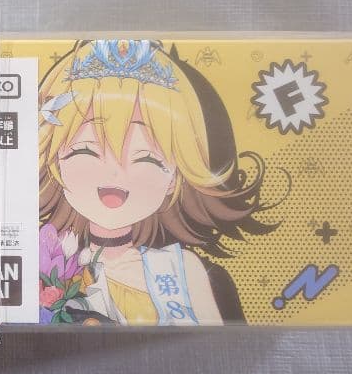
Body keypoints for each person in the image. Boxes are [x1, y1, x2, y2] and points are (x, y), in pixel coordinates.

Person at [37, 39, 280, 325]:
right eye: (85, 150)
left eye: (147, 157)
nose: (115, 172)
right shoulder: (47, 266)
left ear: (176, 175)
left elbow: (219, 343)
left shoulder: (183, 270)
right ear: (54, 162)